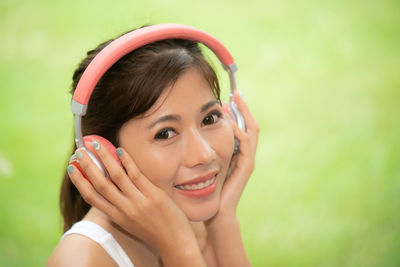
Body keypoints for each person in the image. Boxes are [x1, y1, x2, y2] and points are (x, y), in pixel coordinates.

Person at [47, 25, 259, 267]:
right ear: (103, 156)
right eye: (165, 133)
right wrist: (180, 249)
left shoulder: (196, 217)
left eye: (209, 118)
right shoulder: (80, 261)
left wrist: (223, 218)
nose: (203, 154)